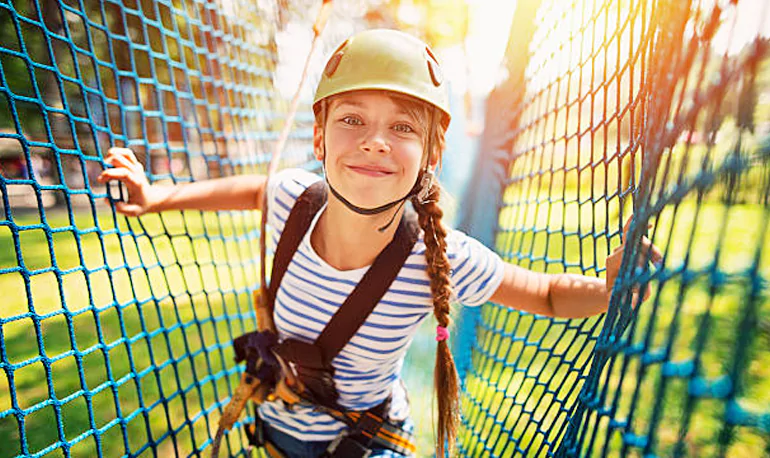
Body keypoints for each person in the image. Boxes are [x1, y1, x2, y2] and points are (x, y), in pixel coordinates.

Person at [98, 29, 661, 458]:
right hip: (273, 431)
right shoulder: (292, 199)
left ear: (430, 155)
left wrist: (612, 291)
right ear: (319, 137)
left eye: (403, 128)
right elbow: (253, 190)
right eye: (352, 120)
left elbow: (546, 294)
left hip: (366, 444)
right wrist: (158, 197)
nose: (374, 143)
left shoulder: (438, 255)